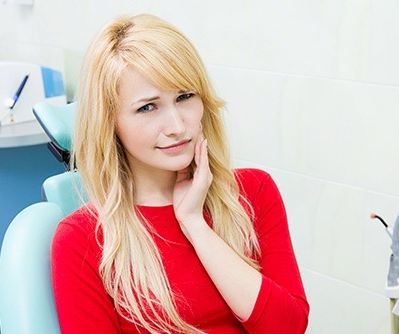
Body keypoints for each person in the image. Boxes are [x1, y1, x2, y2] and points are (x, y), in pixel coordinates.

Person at [51, 13, 309, 334]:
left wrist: (194, 224)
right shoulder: (82, 241)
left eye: (185, 97)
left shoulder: (253, 191)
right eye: (148, 107)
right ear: (109, 124)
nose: (177, 127)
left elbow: (288, 327)